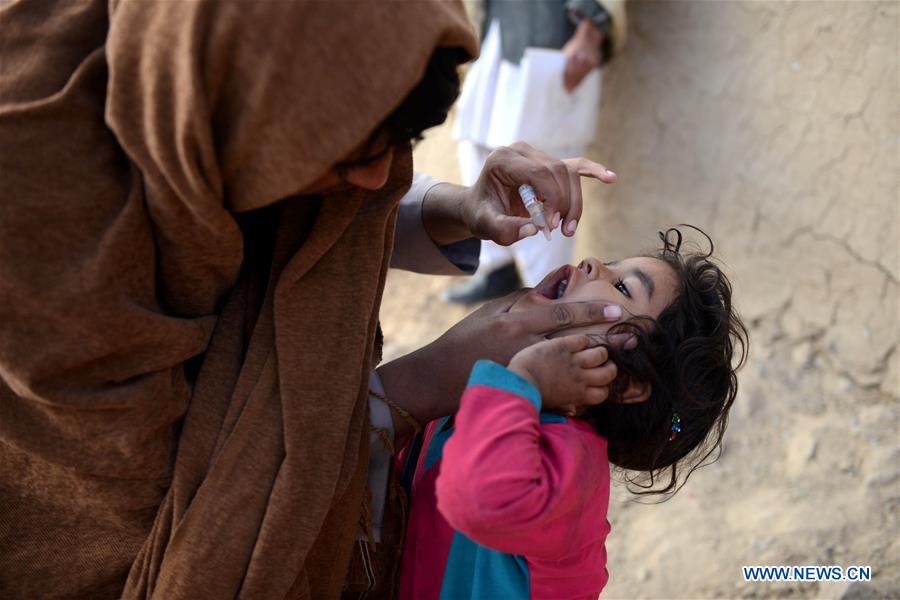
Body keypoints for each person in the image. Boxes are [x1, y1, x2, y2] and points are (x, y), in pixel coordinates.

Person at [0, 1, 623, 598]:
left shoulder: (248, 86)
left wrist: (462, 207)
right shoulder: (44, 222)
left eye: (396, 148)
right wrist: (430, 379)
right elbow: (217, 528)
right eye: (356, 152)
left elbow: (323, 199)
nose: (378, 182)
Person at [392, 228, 749, 599]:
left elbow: (476, 502)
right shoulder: (498, 392)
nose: (592, 263)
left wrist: (523, 380)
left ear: (626, 382)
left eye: (623, 287)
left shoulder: (570, 462)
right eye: (612, 265)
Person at [445, 0, 628, 303]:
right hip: (496, 30)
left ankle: (551, 297)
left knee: (542, 165)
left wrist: (591, 30)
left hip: (554, 36)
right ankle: (498, 271)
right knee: (474, 142)